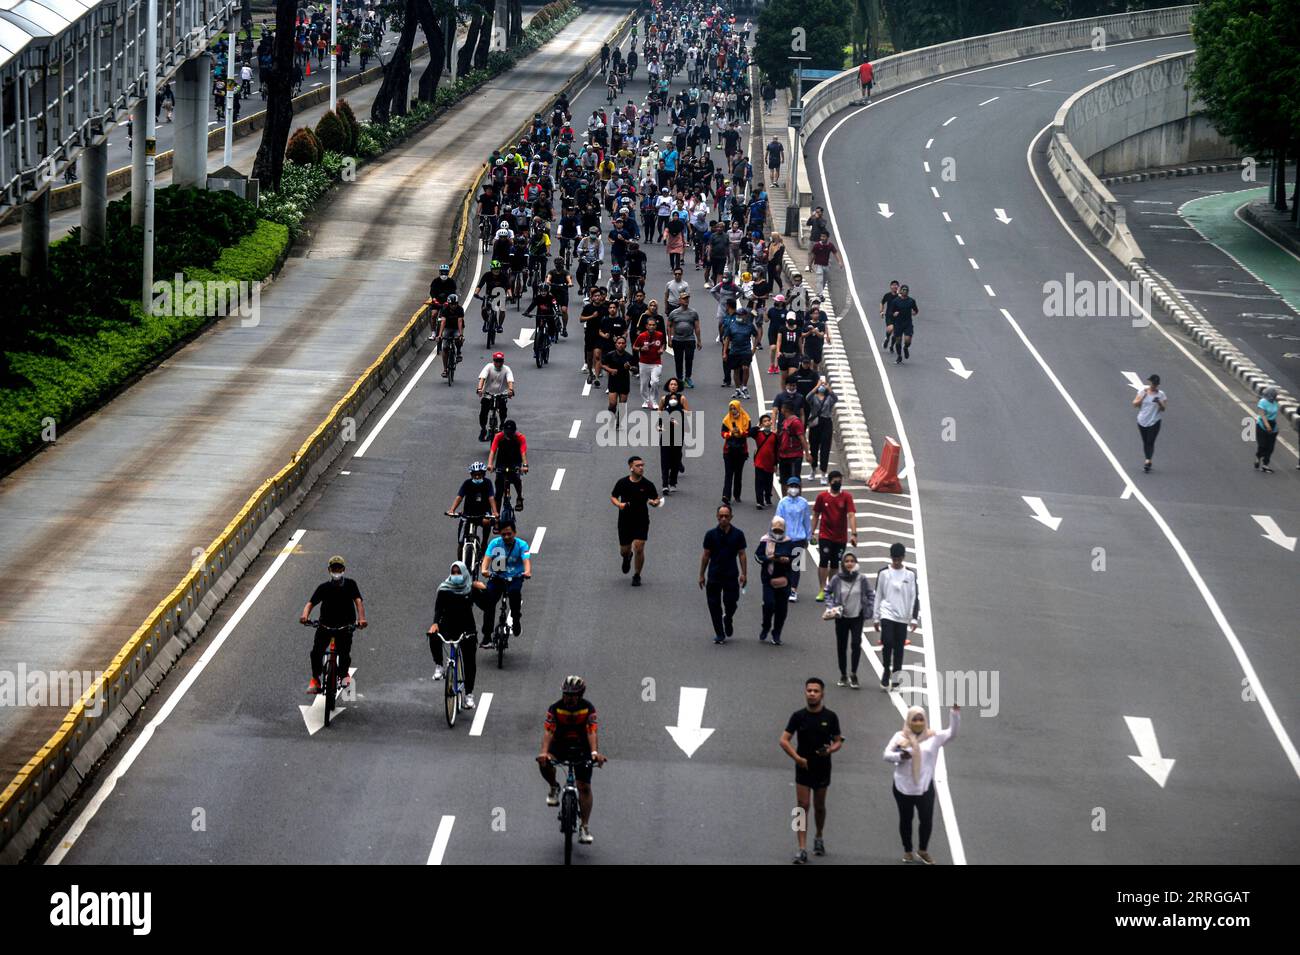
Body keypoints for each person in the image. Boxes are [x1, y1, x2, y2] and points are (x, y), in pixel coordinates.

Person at [884, 705, 960, 864]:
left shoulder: (934, 736)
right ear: (908, 721)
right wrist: (900, 756)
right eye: (914, 719)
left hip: (925, 787)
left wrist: (954, 714)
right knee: (906, 819)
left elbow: (952, 733)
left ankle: (923, 850)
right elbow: (887, 755)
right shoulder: (900, 736)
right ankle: (907, 850)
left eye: (920, 719)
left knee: (926, 820)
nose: (918, 722)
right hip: (903, 787)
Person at [537, 675, 608, 847]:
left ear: (580, 695)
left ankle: (584, 827)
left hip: (582, 749)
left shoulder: (588, 709)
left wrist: (594, 752)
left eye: (572, 695)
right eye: (566, 694)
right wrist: (544, 753)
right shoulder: (555, 708)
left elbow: (592, 731)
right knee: (544, 762)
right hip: (559, 746)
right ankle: (554, 787)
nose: (568, 698)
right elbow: (549, 731)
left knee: (584, 787)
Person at [780, 678, 843, 864]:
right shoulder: (798, 716)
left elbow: (838, 740)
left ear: (822, 694)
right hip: (803, 768)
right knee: (802, 806)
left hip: (823, 768)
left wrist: (830, 750)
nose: (812, 694)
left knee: (819, 806)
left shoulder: (830, 717)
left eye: (816, 691)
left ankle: (819, 836)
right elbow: (784, 740)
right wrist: (797, 758)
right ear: (805, 693)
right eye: (809, 690)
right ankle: (801, 848)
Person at [298, 555, 367, 694]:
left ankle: (343, 675)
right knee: (316, 652)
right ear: (329, 570)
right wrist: (305, 616)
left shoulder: (351, 584)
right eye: (334, 568)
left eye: (339, 568)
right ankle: (315, 679)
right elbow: (310, 603)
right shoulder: (323, 588)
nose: (336, 571)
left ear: (343, 569)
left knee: (345, 653)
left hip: (345, 626)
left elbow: (358, 601)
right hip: (325, 626)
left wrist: (362, 619)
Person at [427, 561, 488, 709]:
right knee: (432, 635)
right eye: (453, 573)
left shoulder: (470, 589)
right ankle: (439, 666)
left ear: (464, 574)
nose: (456, 576)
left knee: (469, 662)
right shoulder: (444, 589)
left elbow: (486, 605)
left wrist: (483, 589)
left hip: (467, 628)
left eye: (458, 572)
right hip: (448, 626)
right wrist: (435, 624)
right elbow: (438, 609)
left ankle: (469, 695)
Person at [699, 503, 748, 644]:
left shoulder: (738, 534)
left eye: (726, 516)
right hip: (714, 575)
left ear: (731, 517)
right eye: (721, 516)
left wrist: (744, 573)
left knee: (731, 602)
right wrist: (701, 575)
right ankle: (719, 633)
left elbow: (742, 554)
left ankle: (728, 618)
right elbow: (706, 555)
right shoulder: (710, 535)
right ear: (717, 517)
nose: (724, 518)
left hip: (731, 575)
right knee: (713, 605)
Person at [610, 456, 662, 587]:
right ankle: (627, 557)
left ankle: (637, 575)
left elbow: (656, 499)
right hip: (625, 520)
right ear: (631, 467)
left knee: (639, 547)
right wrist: (619, 504)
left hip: (641, 519)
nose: (641, 468)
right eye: (638, 465)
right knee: (624, 550)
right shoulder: (622, 483)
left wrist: (654, 502)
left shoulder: (647, 484)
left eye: (642, 465)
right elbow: (613, 496)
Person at [874, 542, 920, 689]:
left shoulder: (910, 574)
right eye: (894, 558)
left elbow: (914, 597)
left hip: (902, 616)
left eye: (899, 558)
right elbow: (878, 595)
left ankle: (896, 675)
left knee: (899, 647)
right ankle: (886, 670)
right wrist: (876, 617)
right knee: (887, 642)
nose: (897, 561)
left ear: (903, 557)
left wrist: (914, 618)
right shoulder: (883, 573)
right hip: (887, 614)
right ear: (891, 557)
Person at [478, 521, 531, 648]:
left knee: (514, 593)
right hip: (498, 577)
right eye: (504, 535)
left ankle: (516, 619)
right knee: (489, 602)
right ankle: (487, 636)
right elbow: (487, 559)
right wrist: (484, 570)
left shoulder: (521, 545)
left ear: (515, 533)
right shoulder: (495, 544)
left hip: (515, 577)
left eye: (509, 534)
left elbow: (526, 561)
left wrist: (527, 572)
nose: (506, 537)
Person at [824, 552, 871, 688]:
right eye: (847, 561)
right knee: (841, 646)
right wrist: (831, 606)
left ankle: (854, 673)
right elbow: (827, 591)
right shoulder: (837, 579)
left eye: (852, 561)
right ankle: (843, 674)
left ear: (856, 563)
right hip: (841, 617)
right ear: (843, 564)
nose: (849, 563)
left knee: (856, 644)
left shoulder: (862, 579)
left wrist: (869, 608)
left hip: (857, 617)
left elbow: (870, 593)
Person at [812, 469, 857, 600]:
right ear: (830, 482)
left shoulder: (847, 497)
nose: (837, 483)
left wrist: (854, 534)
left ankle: (830, 589)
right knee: (824, 561)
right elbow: (816, 514)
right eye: (835, 481)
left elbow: (851, 515)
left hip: (840, 537)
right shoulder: (822, 497)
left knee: (835, 564)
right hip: (825, 536)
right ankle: (821, 589)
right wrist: (812, 532)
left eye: (839, 480)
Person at [755, 515, 796, 644]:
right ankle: (765, 626)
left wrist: (787, 559)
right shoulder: (765, 540)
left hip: (784, 579)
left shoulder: (789, 541)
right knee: (769, 604)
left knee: (782, 609)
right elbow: (757, 556)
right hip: (768, 578)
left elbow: (795, 560)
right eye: (775, 530)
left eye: (780, 530)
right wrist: (770, 558)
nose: (777, 533)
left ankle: (776, 633)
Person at [445, 461, 499, 548]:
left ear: (483, 474)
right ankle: (461, 557)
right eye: (475, 475)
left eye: (479, 474)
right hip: (468, 514)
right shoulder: (467, 483)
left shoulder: (487, 483)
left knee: (486, 521)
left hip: (483, 513)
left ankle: (484, 543)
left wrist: (495, 512)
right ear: (471, 475)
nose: (477, 477)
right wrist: (452, 510)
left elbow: (491, 497)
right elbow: (459, 497)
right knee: (461, 541)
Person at [775, 474, 811, 601]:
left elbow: (807, 521)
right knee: (785, 564)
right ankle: (786, 586)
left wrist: (808, 538)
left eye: (796, 486)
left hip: (799, 539)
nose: (794, 488)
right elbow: (778, 520)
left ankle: (793, 590)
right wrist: (776, 537)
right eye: (791, 486)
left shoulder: (804, 503)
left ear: (800, 488)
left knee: (796, 566)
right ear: (787, 487)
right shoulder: (782, 503)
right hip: (785, 539)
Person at [487, 419, 528, 512]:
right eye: (507, 433)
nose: (508, 436)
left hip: (515, 461)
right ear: (504, 431)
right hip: (501, 461)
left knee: (516, 479)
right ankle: (496, 516)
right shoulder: (498, 436)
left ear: (514, 431)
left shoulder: (520, 437)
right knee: (498, 492)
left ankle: (519, 497)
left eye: (511, 433)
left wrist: (525, 465)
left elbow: (523, 452)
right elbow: (492, 451)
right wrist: (490, 464)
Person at [658, 378, 690, 492]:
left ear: (678, 387)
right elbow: (659, 411)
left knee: (675, 459)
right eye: (671, 384)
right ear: (668, 386)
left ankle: (673, 483)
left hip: (678, 433)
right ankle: (665, 484)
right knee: (664, 460)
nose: (673, 386)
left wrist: (678, 414)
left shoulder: (682, 398)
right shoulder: (663, 399)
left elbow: (688, 413)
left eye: (675, 384)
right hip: (666, 433)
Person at [1133, 373, 1166, 473]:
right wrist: (1143, 397)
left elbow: (1163, 409)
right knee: (1145, 441)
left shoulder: (1161, 394)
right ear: (1150, 383)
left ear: (1157, 384)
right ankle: (1148, 458)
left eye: (1155, 384)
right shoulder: (1143, 392)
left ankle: (1148, 461)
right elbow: (1135, 404)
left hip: (1154, 421)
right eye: (1152, 383)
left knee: (1150, 441)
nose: (1153, 385)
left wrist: (1159, 402)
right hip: (1142, 420)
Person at [476, 352, 514, 441]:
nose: (499, 363)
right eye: (497, 361)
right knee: (483, 413)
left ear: (503, 361)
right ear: (493, 361)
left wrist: (510, 391)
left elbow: (510, 381)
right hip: (488, 394)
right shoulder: (488, 367)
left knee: (503, 411)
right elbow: (482, 378)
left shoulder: (506, 369)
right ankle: (483, 429)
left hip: (501, 394)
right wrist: (480, 389)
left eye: (501, 361)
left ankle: (502, 424)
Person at [720, 399, 750, 505]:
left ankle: (737, 494)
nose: (733, 411)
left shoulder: (746, 418)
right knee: (728, 474)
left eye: (734, 408)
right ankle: (726, 496)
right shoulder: (727, 420)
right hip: (728, 451)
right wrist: (730, 433)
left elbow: (748, 432)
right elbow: (723, 433)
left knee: (738, 473)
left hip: (741, 451)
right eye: (731, 409)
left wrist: (741, 432)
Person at [805, 381, 837, 482]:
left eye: (824, 385)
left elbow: (836, 399)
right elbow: (807, 397)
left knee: (825, 449)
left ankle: (823, 473)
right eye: (821, 385)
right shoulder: (814, 397)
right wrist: (816, 386)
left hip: (826, 422)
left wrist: (829, 388)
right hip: (815, 423)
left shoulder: (829, 398)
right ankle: (813, 469)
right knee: (813, 447)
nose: (822, 387)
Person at [602, 334, 635, 425]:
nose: (620, 345)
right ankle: (612, 416)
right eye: (619, 343)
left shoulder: (629, 356)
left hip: (624, 381)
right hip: (613, 381)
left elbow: (635, 368)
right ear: (616, 344)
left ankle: (619, 422)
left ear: (625, 345)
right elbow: (603, 364)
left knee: (622, 404)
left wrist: (630, 367)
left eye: (622, 343)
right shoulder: (610, 355)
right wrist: (610, 370)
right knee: (612, 403)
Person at [634, 316, 666, 409]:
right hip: (644, 363)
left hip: (656, 362)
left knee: (655, 381)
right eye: (650, 325)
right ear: (646, 326)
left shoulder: (660, 335)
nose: (651, 326)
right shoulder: (642, 336)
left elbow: (663, 344)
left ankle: (654, 401)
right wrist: (641, 348)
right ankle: (646, 401)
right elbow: (634, 347)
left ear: (656, 326)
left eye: (653, 325)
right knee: (644, 384)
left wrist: (661, 349)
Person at [775, 402, 806, 488]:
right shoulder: (785, 421)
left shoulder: (796, 422)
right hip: (783, 455)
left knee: (795, 480)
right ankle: (785, 500)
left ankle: (798, 499)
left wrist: (807, 454)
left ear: (786, 409)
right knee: (783, 481)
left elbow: (802, 438)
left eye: (782, 408)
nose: (780, 410)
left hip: (794, 455)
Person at [751, 412, 778, 509]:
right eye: (764, 421)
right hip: (759, 462)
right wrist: (757, 426)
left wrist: (775, 464)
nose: (767, 423)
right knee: (759, 482)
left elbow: (776, 451)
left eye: (768, 421)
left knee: (768, 482)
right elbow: (750, 432)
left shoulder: (774, 436)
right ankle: (759, 501)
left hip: (770, 463)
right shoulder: (758, 434)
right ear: (761, 424)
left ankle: (767, 497)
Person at [886, 285, 918, 364]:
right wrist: (894, 314)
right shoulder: (896, 301)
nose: (905, 291)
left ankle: (906, 347)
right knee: (898, 341)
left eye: (906, 290)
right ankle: (899, 356)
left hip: (908, 323)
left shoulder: (911, 301)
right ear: (900, 291)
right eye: (903, 290)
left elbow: (916, 310)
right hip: (898, 324)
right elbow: (890, 312)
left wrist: (914, 312)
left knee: (908, 340)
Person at [1254, 386, 1280, 472]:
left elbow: (1274, 416)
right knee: (1262, 445)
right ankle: (1258, 457)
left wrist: (1273, 427)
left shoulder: (1275, 403)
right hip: (1262, 425)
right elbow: (1262, 415)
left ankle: (1265, 464)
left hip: (1273, 425)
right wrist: (1267, 425)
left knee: (1270, 447)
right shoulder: (1262, 402)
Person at [880, 279, 901, 350]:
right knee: (890, 328)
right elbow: (882, 303)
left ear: (898, 287)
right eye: (893, 285)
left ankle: (892, 346)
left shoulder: (900, 296)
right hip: (889, 315)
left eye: (896, 285)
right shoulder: (887, 295)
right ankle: (887, 338)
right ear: (890, 286)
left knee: (896, 334)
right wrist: (881, 311)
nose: (895, 286)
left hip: (898, 317)